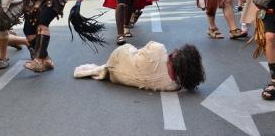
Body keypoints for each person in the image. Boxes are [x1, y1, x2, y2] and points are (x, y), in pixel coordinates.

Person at [74, 41, 205, 92]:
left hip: (118, 56)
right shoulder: (172, 86)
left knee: (135, 51)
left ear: (176, 55)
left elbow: (143, 50)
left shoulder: (159, 49)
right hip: (116, 78)